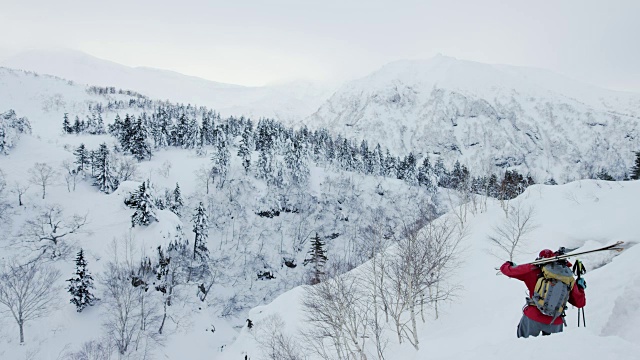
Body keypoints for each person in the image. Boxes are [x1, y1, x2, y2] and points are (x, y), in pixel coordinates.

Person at [500, 249, 586, 338]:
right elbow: (580, 303)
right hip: (555, 321)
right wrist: (580, 288)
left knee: (524, 347)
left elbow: (508, 271)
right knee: (552, 351)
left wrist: (508, 264)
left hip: (533, 317)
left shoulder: (533, 269)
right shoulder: (568, 278)